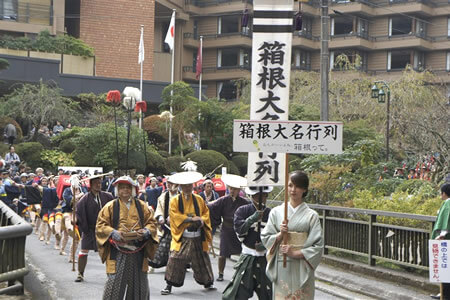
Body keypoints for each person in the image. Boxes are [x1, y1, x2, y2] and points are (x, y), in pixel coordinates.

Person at [261, 171, 323, 300]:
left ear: (304, 189)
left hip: (303, 263)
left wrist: (295, 253)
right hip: (282, 263)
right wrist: (280, 234)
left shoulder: (312, 215)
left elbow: (318, 246)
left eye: (298, 186)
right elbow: (266, 237)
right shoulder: (276, 212)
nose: (293, 190)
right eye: (290, 185)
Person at [96, 176, 158, 299]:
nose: (125, 190)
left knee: (139, 284)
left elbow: (152, 223)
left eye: (128, 187)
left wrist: (146, 232)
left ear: (133, 189)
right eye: (122, 187)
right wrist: (113, 232)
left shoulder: (142, 206)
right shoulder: (110, 206)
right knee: (114, 283)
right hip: (118, 250)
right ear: (117, 190)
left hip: (138, 250)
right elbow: (101, 225)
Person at [161, 171, 215, 295]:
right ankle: (169, 285)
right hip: (183, 235)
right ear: (180, 186)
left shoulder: (199, 199)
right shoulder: (175, 200)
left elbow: (205, 213)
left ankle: (207, 281)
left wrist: (201, 221)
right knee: (175, 259)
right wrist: (190, 219)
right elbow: (174, 215)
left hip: (197, 235)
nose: (187, 188)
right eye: (184, 186)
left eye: (189, 185)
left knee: (202, 259)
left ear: (192, 186)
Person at [223, 185, 273, 300]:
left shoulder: (271, 213)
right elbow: (239, 230)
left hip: (265, 258)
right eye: (257, 196)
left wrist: (266, 244)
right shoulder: (243, 210)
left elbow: (276, 234)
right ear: (251, 196)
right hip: (247, 257)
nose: (260, 199)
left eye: (263, 196)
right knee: (235, 294)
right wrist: (251, 219)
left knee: (269, 295)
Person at [208, 174, 249, 282]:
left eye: (235, 189)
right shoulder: (223, 200)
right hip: (226, 229)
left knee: (242, 253)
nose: (232, 191)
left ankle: (239, 273)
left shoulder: (244, 202)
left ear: (239, 190)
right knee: (222, 253)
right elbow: (211, 206)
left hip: (239, 231)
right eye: (231, 188)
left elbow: (251, 210)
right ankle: (220, 273)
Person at [75, 173, 114, 282]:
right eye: (96, 183)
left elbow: (114, 210)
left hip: (104, 229)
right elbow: (79, 213)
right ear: (90, 185)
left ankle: (110, 274)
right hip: (90, 229)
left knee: (108, 251)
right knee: (83, 250)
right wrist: (76, 220)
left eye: (99, 183)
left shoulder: (108, 196)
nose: (98, 185)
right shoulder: (84, 199)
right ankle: (80, 273)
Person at [149, 174, 179, 270]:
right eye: (167, 183)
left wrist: (174, 216)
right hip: (166, 227)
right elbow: (159, 208)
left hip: (179, 227)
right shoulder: (164, 196)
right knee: (163, 246)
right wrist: (161, 217)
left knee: (178, 248)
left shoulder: (181, 196)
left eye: (171, 183)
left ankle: (178, 265)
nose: (168, 185)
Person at [431, 183, 450, 300]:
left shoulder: (448, 203)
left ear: (444, 193)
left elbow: (446, 221)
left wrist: (441, 234)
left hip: (446, 241)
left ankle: (445, 294)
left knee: (445, 268)